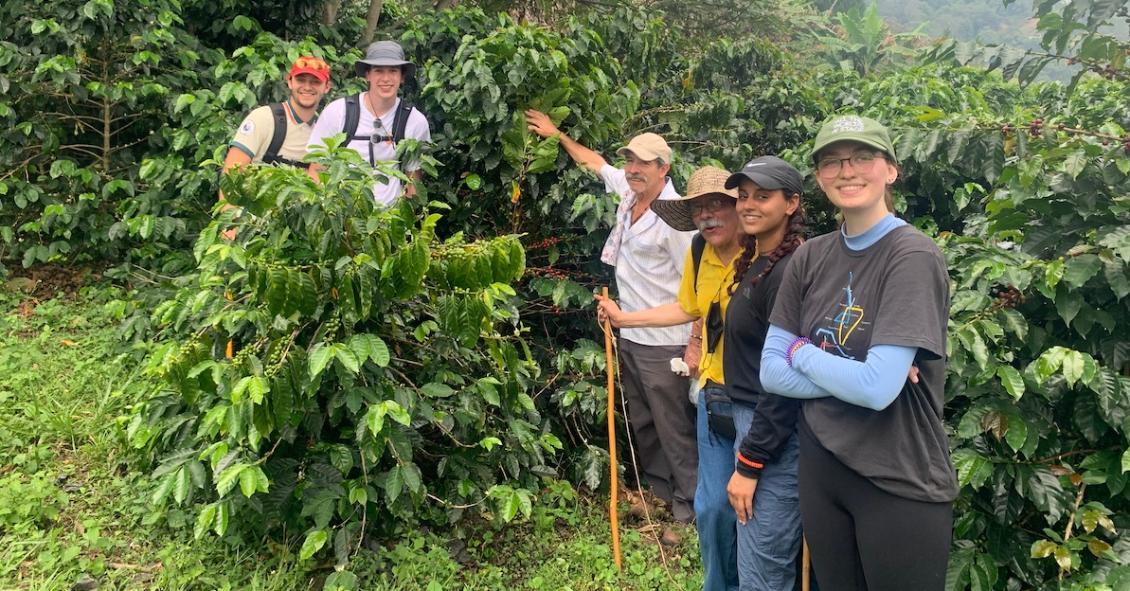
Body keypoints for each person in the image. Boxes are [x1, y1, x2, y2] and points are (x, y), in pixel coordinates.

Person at [760, 115, 956, 591]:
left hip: (898, 476)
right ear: (821, 177)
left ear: (891, 169)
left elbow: (876, 391)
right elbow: (770, 371)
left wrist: (803, 351)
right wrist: (855, 373)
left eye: (863, 157)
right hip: (823, 466)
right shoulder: (810, 256)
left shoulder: (911, 255)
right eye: (832, 161)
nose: (847, 171)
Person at [525, 109, 698, 536]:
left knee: (673, 426)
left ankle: (688, 509)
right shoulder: (630, 191)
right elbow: (594, 161)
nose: (633, 169)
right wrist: (557, 134)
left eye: (643, 163)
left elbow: (694, 298)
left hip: (666, 341)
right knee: (644, 419)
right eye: (631, 161)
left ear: (665, 168)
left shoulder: (676, 221)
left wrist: (688, 343)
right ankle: (658, 494)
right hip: (632, 336)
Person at [594, 165, 745, 585]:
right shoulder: (701, 250)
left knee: (751, 502)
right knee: (713, 506)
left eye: (718, 204)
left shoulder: (764, 257)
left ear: (740, 208)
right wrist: (625, 319)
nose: (708, 215)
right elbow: (687, 307)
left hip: (757, 396)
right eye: (700, 208)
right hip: (713, 391)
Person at [306, 40, 430, 206]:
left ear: (402, 77)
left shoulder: (415, 121)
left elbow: (413, 180)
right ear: (368, 75)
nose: (386, 79)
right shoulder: (338, 112)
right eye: (379, 71)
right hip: (341, 215)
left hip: (389, 219)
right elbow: (317, 170)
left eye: (393, 71)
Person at [222, 55, 332, 173]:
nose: (307, 87)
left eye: (315, 82)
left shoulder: (324, 133)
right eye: (301, 80)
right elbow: (231, 174)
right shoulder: (263, 118)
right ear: (289, 82)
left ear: (326, 87)